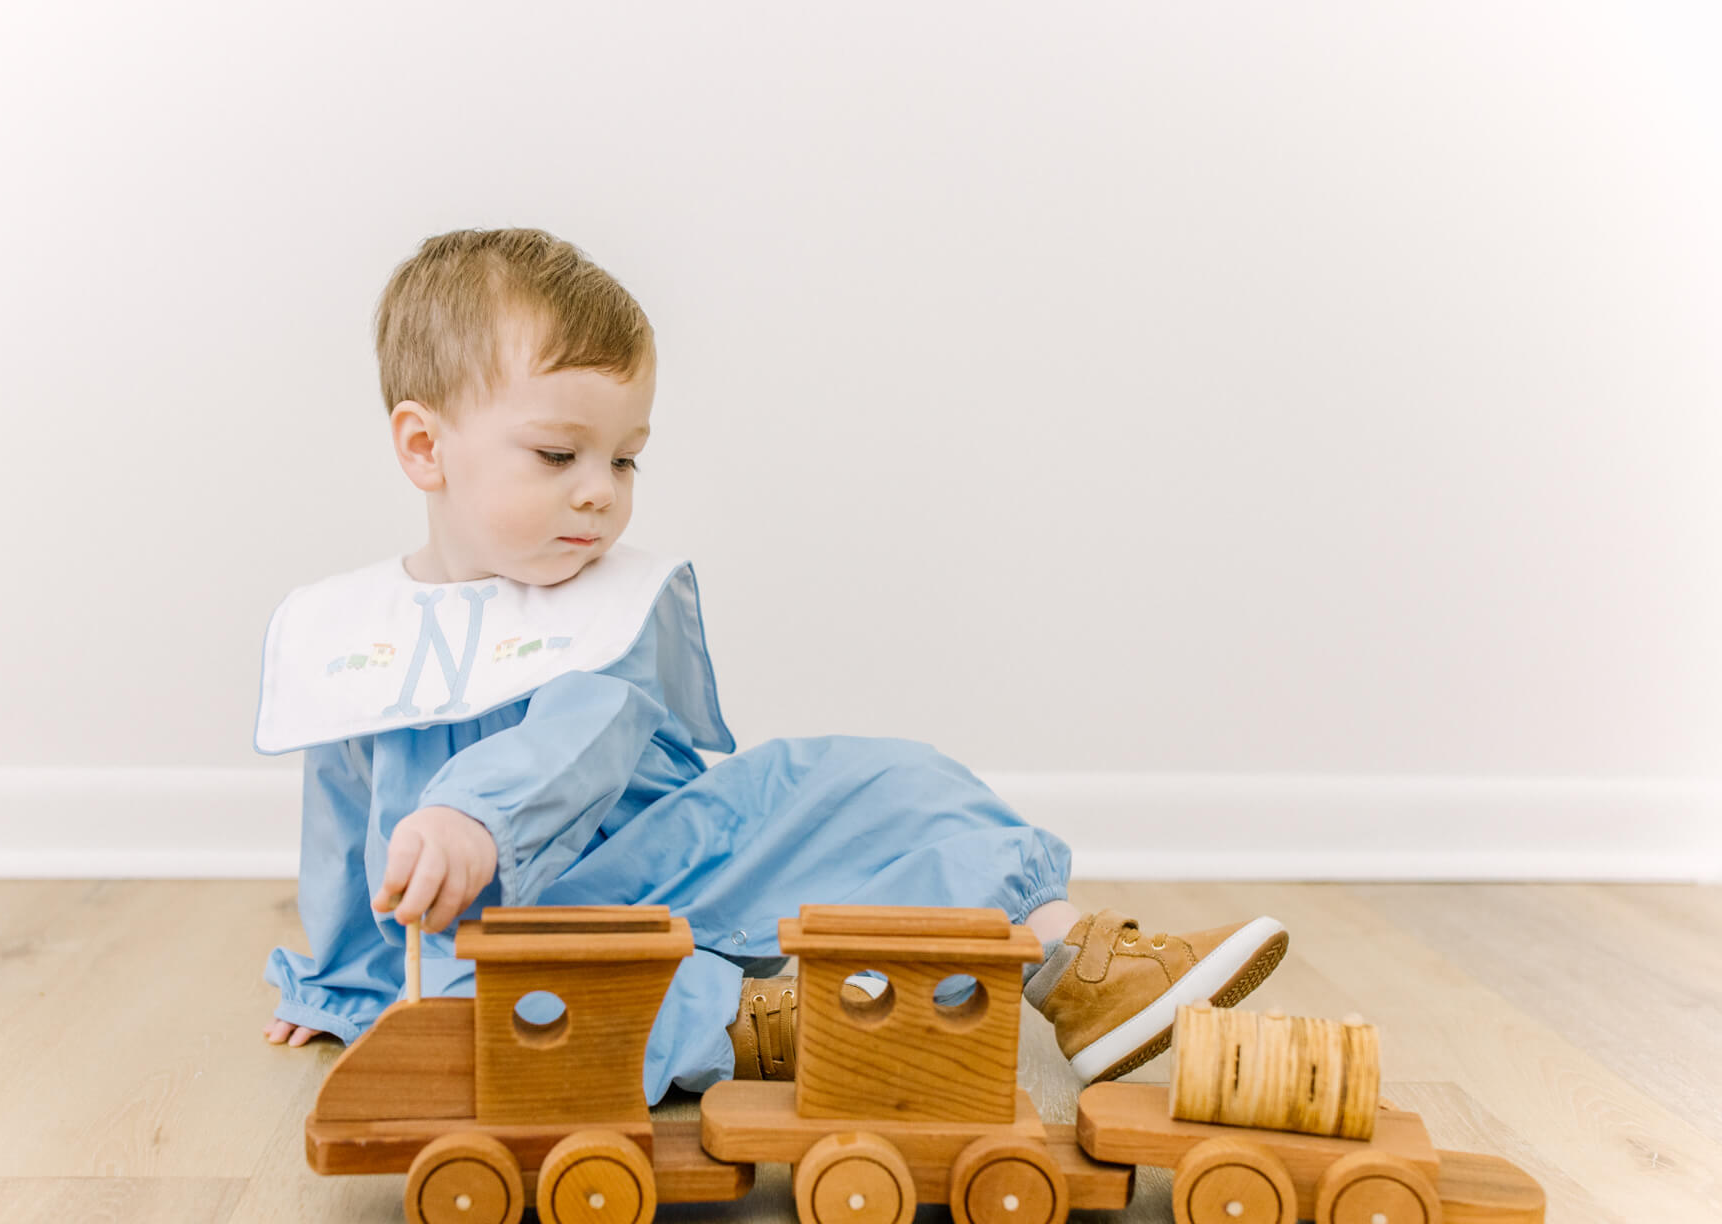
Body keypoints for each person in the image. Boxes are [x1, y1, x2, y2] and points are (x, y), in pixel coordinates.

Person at [255, 226, 1288, 1096]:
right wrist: (334, 984)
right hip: (510, 921)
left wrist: (472, 812)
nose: (600, 492)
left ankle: (1080, 965)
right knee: (502, 1007)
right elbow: (343, 835)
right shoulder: (353, 634)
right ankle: (758, 1022)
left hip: (681, 847)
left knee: (890, 779)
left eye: (624, 457)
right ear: (425, 449)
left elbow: (585, 733)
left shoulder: (603, 606)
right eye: (558, 455)